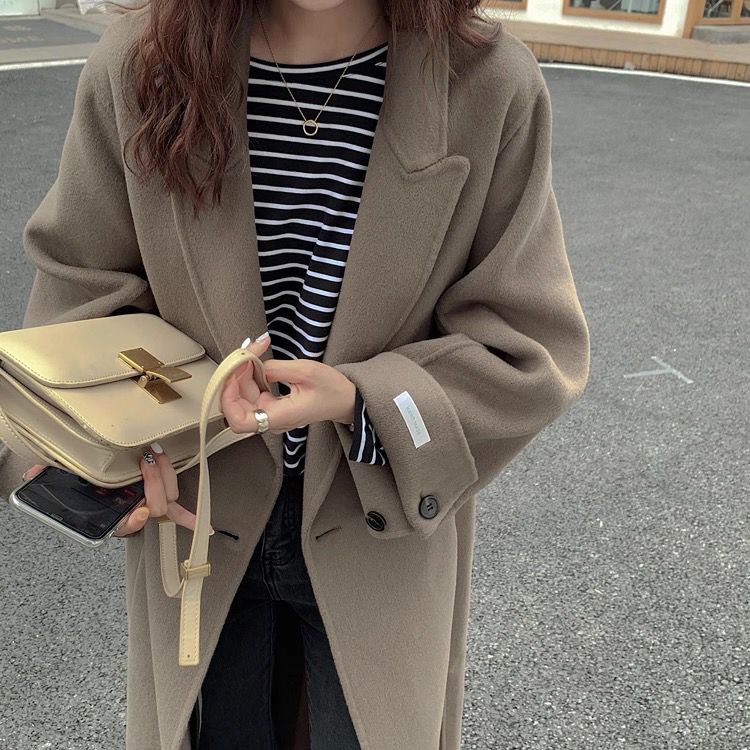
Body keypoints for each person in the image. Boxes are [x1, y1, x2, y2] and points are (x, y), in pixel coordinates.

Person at [0, 0, 591, 748]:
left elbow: (526, 340)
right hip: (198, 515)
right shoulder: (141, 65)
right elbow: (80, 288)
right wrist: (109, 462)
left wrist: (364, 400)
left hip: (378, 516)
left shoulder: (487, 82)